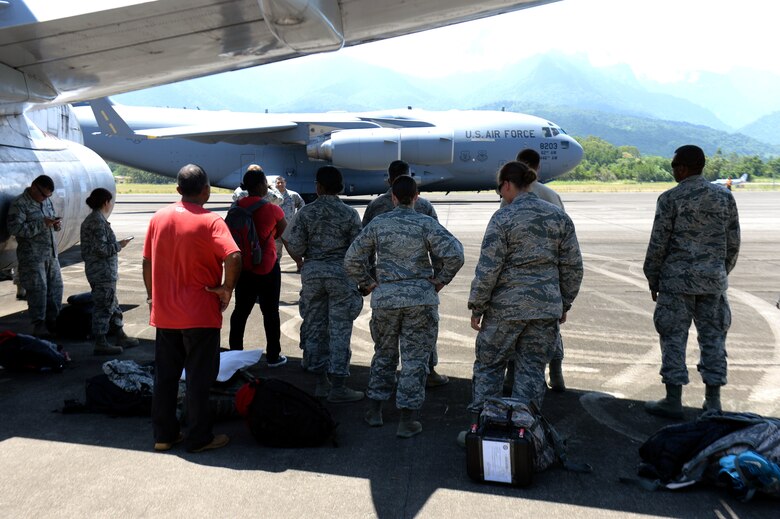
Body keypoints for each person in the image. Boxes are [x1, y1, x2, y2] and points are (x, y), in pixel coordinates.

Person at [464, 161, 582, 436]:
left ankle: (483, 430)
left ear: (507, 184)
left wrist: (477, 306)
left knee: (490, 368)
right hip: (545, 309)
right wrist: (564, 302)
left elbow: (488, 268)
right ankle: (524, 434)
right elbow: (573, 266)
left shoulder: (503, 218)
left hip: (506, 309)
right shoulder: (558, 217)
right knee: (531, 371)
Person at [345, 175, 464, 439]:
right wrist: (441, 280)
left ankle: (375, 411)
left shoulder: (378, 223)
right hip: (420, 299)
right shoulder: (425, 223)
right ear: (416, 197)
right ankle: (407, 420)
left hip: (386, 299)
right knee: (415, 360)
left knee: (384, 354)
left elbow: (352, 258)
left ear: (394, 197)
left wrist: (369, 282)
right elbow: (456, 253)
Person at [143, 164, 241, 453]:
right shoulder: (211, 221)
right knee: (199, 379)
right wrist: (227, 288)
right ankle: (199, 437)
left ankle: (164, 435)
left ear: (178, 190)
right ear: (207, 191)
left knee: (166, 377)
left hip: (166, 314)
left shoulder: (158, 218)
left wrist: (153, 296)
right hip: (199, 314)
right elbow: (233, 255)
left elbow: (147, 262)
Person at [643, 145, 740, 419]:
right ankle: (713, 402)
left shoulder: (670, 199)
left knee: (673, 338)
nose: (673, 171)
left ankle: (673, 400)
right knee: (713, 339)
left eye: (674, 166)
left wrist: (653, 277)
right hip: (712, 282)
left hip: (677, 284)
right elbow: (733, 242)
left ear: (683, 168)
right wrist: (719, 273)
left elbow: (658, 244)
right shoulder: (724, 197)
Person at [361, 160, 448, 388]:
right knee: (421, 338)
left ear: (389, 181)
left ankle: (378, 399)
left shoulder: (376, 207)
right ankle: (428, 372)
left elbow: (362, 249)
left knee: (385, 347)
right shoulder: (425, 207)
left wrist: (369, 280)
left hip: (386, 286)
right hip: (420, 287)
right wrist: (439, 279)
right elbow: (442, 250)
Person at [283, 166, 364, 403]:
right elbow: (358, 250)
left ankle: (320, 382)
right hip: (341, 275)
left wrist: (308, 258)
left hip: (313, 276)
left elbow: (294, 245)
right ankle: (338, 386)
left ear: (318, 187)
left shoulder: (306, 213)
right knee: (340, 329)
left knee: (315, 326)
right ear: (339, 187)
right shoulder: (349, 214)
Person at [501, 149, 568, 392]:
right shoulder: (552, 196)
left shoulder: (509, 198)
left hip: (514, 284)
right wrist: (565, 296)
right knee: (549, 329)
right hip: (548, 281)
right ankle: (556, 373)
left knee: (513, 331)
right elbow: (567, 246)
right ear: (537, 169)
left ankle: (511, 376)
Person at [228, 165, 289, 367]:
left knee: (240, 313)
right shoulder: (273, 208)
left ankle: (235, 355)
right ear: (262, 185)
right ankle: (273, 356)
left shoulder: (236, 208)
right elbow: (281, 231)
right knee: (270, 312)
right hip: (267, 266)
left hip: (243, 267)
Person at [80, 188, 139, 355]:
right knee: (104, 306)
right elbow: (101, 249)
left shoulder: (96, 220)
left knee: (112, 303)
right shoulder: (97, 222)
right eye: (109, 201)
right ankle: (101, 342)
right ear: (105, 202)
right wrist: (120, 245)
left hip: (103, 272)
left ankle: (120, 335)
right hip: (101, 272)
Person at [7, 175, 63, 338]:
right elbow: (15, 229)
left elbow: (49, 221)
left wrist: (55, 225)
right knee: (38, 292)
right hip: (32, 257)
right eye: (43, 195)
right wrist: (42, 224)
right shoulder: (19, 204)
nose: (45, 199)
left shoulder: (46, 201)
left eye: (48, 196)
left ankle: (54, 322)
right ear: (33, 187)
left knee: (56, 289)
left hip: (51, 254)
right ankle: (39, 326)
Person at [274, 175, 305, 270]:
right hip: (276, 228)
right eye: (278, 183)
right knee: (276, 250)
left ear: (285, 183)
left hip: (290, 227)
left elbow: (301, 205)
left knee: (294, 248)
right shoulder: (272, 196)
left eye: (282, 182)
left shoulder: (293, 195)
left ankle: (300, 265)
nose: (280, 184)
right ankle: (275, 268)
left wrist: (297, 218)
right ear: (275, 184)